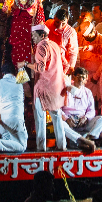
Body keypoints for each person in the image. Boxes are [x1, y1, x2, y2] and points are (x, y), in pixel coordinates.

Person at [31, 23, 68, 152]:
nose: (33, 38)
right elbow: (65, 64)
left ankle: (41, 149)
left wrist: (26, 64)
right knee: (57, 116)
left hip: (44, 88)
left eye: (34, 36)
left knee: (40, 119)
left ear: (41, 35)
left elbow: (39, 68)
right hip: (56, 87)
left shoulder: (41, 46)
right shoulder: (55, 45)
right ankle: (62, 146)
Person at [54, 67, 102, 152]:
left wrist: (85, 118)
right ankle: (81, 140)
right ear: (73, 77)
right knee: (59, 123)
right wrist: (66, 119)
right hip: (70, 122)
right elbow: (58, 108)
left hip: (83, 122)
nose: (81, 79)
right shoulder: (65, 89)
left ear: (86, 80)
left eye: (83, 77)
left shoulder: (88, 92)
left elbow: (91, 110)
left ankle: (88, 138)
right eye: (79, 76)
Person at [0, 61, 27, 153]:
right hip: (16, 119)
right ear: (15, 72)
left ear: (2, 74)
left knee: (9, 144)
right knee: (22, 146)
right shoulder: (19, 81)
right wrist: (21, 70)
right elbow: (28, 91)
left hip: (1, 119)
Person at [45, 8, 79, 72]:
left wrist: (71, 66)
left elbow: (73, 51)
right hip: (46, 60)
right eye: (57, 22)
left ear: (67, 20)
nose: (60, 26)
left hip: (61, 64)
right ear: (54, 18)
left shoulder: (71, 32)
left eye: (63, 23)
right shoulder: (48, 24)